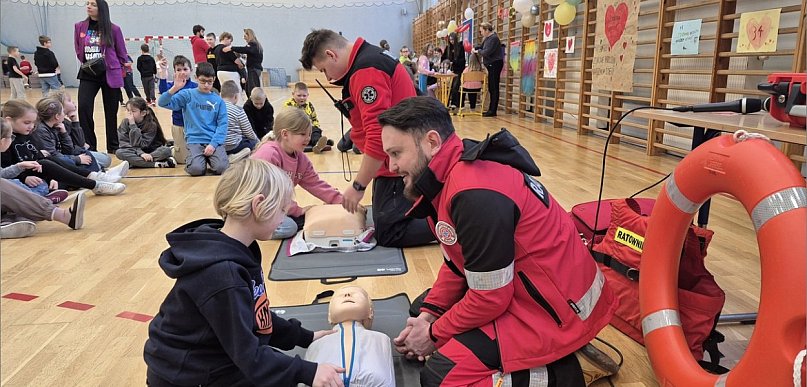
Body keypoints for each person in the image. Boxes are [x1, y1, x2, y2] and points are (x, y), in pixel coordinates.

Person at [380, 97, 616, 386]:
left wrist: (431, 335)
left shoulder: (472, 194)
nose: (390, 166)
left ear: (431, 142)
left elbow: (490, 298)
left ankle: (571, 370)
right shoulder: (450, 175)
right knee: (423, 307)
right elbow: (458, 266)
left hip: (555, 314)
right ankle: (547, 356)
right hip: (531, 290)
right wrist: (430, 316)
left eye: (396, 153)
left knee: (442, 378)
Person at [143, 158, 346, 387]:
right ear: (259, 205)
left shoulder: (241, 250)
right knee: (281, 376)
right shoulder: (223, 273)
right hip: (186, 376)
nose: (284, 218)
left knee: (279, 371)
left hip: (213, 359)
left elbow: (257, 316)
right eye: (282, 210)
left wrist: (304, 337)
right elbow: (248, 354)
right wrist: (307, 372)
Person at [299, 29, 434, 248]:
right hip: (392, 161)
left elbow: (378, 136)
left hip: (401, 162)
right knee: (383, 218)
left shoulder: (366, 70)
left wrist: (358, 186)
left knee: (391, 232)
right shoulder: (367, 60)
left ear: (331, 54)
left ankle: (452, 224)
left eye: (324, 70)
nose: (329, 78)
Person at [251, 108, 343, 239]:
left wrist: (342, 201)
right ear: (285, 134)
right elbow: (269, 194)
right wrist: (297, 210)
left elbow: (316, 184)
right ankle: (249, 228)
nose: (308, 139)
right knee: (290, 227)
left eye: (309, 134)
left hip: (273, 206)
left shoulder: (300, 158)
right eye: (302, 134)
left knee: (305, 219)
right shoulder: (268, 154)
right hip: (253, 207)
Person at [1, 100, 126, 196]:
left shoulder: (28, 134)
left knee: (51, 161)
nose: (31, 126)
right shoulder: (5, 141)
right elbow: (6, 170)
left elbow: (38, 157)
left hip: (38, 172)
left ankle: (95, 177)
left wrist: (52, 177)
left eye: (33, 122)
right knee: (49, 163)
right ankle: (94, 183)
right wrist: (24, 177)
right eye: (27, 123)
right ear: (9, 120)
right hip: (21, 178)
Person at [304, 286, 395, 387]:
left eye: (357, 294)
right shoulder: (315, 345)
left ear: (370, 312)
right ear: (329, 315)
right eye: (339, 295)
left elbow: (386, 379)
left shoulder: (381, 339)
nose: (347, 295)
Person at [74, 0, 129, 153]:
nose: (89, 6)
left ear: (102, 8)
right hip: (88, 73)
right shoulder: (79, 26)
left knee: (111, 111)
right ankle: (90, 146)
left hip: (110, 73)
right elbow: (79, 50)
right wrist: (91, 63)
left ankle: (113, 146)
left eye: (93, 4)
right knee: (84, 108)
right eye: (87, 3)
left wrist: (115, 66)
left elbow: (122, 53)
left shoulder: (114, 29)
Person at [157, 62, 228, 176]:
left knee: (222, 168)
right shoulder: (187, 95)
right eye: (202, 81)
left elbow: (223, 125)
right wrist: (175, 88)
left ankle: (214, 159)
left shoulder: (218, 100)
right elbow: (162, 103)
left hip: (212, 141)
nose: (206, 85)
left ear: (214, 79)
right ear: (196, 78)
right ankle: (199, 160)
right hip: (194, 140)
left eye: (209, 82)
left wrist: (213, 144)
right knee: (196, 170)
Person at [32, 97, 103, 175]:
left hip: (63, 157)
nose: (64, 114)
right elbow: (53, 156)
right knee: (84, 159)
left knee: (84, 152)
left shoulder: (55, 125)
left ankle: (97, 172)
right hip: (53, 164)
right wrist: (77, 159)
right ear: (57, 116)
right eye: (63, 112)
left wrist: (64, 133)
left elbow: (70, 149)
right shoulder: (41, 130)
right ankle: (96, 174)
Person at [51, 90, 113, 169]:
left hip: (74, 152)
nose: (73, 102)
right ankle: (97, 169)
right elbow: (71, 147)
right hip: (69, 156)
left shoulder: (66, 122)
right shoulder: (57, 125)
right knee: (102, 159)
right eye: (69, 100)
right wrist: (81, 149)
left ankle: (96, 167)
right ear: (61, 105)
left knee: (106, 158)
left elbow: (80, 142)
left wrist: (75, 121)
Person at [157, 55, 196, 165]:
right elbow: (163, 92)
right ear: (174, 72)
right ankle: (173, 148)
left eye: (185, 69)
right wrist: (163, 72)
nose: (182, 72)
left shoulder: (195, 86)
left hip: (194, 126)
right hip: (179, 125)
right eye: (178, 70)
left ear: (191, 70)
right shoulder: (172, 86)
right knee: (182, 160)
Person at [116, 97, 176, 168]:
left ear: (143, 113)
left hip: (150, 151)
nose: (129, 113)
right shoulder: (125, 122)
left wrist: (133, 126)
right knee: (119, 152)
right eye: (128, 110)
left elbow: (143, 144)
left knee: (166, 150)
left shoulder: (151, 125)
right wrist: (140, 153)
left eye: (133, 111)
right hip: (133, 151)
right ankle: (156, 164)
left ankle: (135, 162)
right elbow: (123, 143)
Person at [283, 82, 332, 153]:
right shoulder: (288, 105)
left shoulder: (309, 105)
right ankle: (323, 143)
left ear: (307, 95)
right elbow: (286, 120)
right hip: (295, 129)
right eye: (299, 95)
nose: (302, 98)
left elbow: (314, 118)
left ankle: (318, 144)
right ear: (293, 94)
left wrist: (315, 126)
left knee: (316, 131)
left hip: (308, 129)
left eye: (304, 95)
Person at [220, 80, 258, 163]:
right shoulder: (239, 111)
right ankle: (239, 154)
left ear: (220, 95)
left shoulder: (214, 109)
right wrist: (257, 141)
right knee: (253, 142)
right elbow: (249, 132)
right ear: (236, 97)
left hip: (219, 146)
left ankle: (226, 156)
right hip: (234, 147)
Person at [474, 22, 503, 117]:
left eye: (482, 31)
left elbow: (486, 52)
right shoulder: (487, 39)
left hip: (495, 64)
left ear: (487, 30)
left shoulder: (493, 39)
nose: (481, 33)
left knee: (494, 87)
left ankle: (493, 110)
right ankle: (491, 109)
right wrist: (475, 48)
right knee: (491, 87)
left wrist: (478, 51)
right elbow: (481, 47)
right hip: (491, 65)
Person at [225, 29, 263, 98]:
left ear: (249, 35)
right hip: (252, 69)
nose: (244, 38)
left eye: (245, 36)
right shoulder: (255, 45)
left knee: (253, 89)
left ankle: (254, 103)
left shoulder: (253, 44)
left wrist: (231, 48)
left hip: (254, 69)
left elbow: (245, 49)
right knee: (248, 88)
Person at [214, 32, 243, 105]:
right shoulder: (225, 48)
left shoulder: (216, 49)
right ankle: (239, 106)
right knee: (237, 89)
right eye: (230, 41)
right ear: (226, 38)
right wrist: (241, 64)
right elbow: (236, 60)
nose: (230, 44)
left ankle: (224, 106)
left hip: (219, 72)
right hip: (230, 72)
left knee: (224, 90)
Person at [443, 32, 466, 110]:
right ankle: (446, 102)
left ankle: (454, 103)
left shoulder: (460, 47)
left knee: (455, 86)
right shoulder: (448, 48)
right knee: (448, 86)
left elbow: (463, 60)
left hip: (457, 70)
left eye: (452, 40)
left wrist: (455, 62)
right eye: (450, 40)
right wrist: (447, 63)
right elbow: (443, 58)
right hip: (449, 70)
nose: (451, 41)